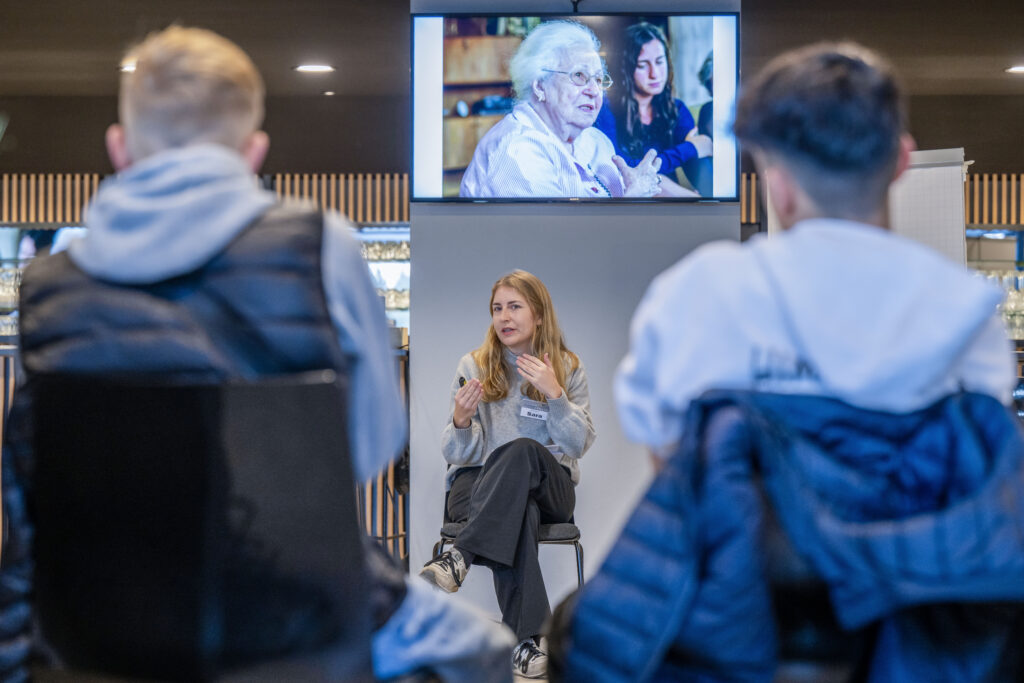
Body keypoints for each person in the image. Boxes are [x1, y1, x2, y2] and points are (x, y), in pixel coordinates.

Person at [0, 26, 513, 683]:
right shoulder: (321, 246)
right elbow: (371, 449)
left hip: (94, 631)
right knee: (489, 650)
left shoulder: (49, 287)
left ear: (119, 148)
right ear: (253, 152)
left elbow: (30, 491)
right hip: (298, 624)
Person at [549, 43, 1024, 681]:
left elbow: (677, 475)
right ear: (901, 160)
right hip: (914, 635)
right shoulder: (967, 316)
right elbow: (973, 492)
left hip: (730, 635)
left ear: (775, 178)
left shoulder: (695, 296)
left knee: (575, 630)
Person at [419, 270, 595, 679]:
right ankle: (528, 640)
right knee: (519, 513)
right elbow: (457, 453)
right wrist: (461, 422)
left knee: (522, 453)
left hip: (551, 488)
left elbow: (578, 443)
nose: (504, 317)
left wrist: (555, 395)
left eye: (514, 307)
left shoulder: (567, 367)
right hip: (479, 486)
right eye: (497, 308)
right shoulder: (475, 364)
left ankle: (459, 555)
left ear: (538, 314)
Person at [459, 20, 663, 199]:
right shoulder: (517, 152)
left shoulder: (596, 141)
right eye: (579, 76)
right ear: (540, 86)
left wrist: (631, 188)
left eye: (598, 79)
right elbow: (559, 240)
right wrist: (634, 200)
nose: (594, 90)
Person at [593, 22, 711, 196]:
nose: (654, 73)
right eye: (642, 65)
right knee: (659, 180)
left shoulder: (676, 109)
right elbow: (624, 169)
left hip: (668, 205)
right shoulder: (604, 109)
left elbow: (695, 162)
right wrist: (689, 149)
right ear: (625, 68)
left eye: (659, 61)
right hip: (625, 201)